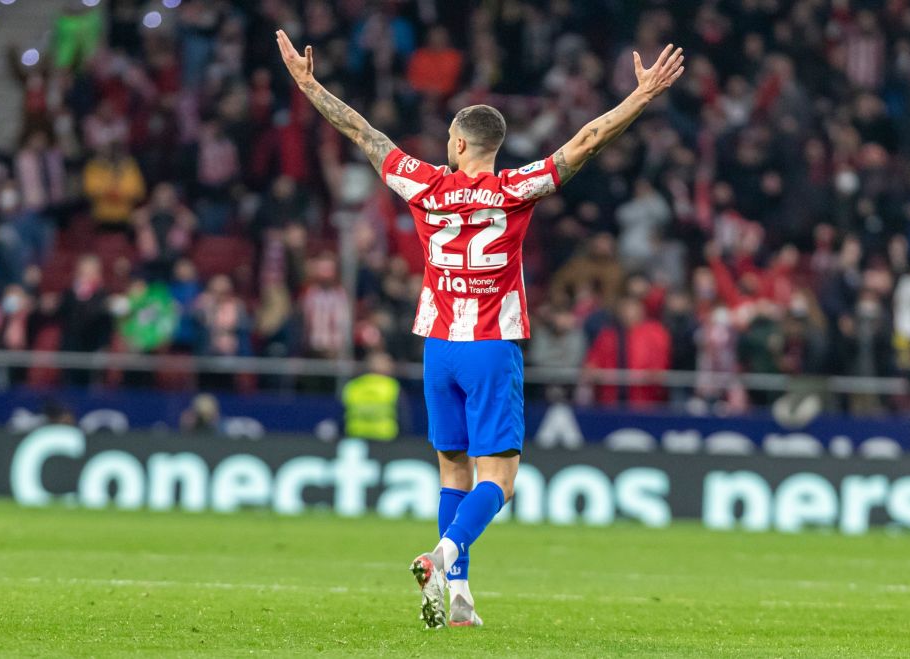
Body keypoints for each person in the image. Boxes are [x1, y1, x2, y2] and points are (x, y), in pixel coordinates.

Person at [275, 28, 684, 627]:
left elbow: (362, 132)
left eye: (449, 137)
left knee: (453, 471)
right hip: (490, 348)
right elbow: (588, 140)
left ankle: (459, 598)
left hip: (438, 347)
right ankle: (442, 558)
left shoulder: (423, 184)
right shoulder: (514, 190)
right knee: (500, 482)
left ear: (461, 142)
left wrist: (309, 86)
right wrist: (641, 97)